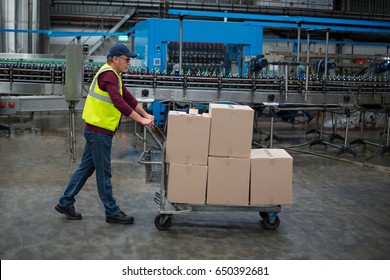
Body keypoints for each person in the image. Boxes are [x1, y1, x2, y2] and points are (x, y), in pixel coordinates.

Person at [55, 43, 154, 224]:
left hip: (97, 131)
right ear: (115, 59)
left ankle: (65, 202)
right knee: (103, 173)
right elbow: (118, 102)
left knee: (85, 169)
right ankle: (112, 211)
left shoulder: (114, 74)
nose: (129, 63)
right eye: (126, 60)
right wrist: (140, 121)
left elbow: (128, 98)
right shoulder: (108, 74)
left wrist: (146, 114)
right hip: (99, 133)